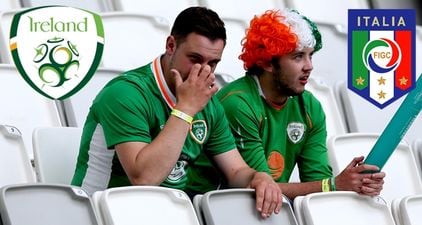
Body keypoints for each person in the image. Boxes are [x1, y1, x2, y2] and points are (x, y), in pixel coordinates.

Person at [71, 6, 282, 217]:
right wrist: (185, 108)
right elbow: (144, 178)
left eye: (213, 63)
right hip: (99, 213)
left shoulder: (208, 104)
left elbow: (236, 171)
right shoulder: (125, 93)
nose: (204, 71)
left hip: (164, 215)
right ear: (171, 45)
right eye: (195, 59)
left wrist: (258, 177)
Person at [188, 9, 385, 200]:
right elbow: (261, 189)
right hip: (211, 205)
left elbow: (317, 181)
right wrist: (334, 185)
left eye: (310, 55)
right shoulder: (238, 103)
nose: (309, 66)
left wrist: (354, 185)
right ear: (267, 63)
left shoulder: (310, 106)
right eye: (298, 56)